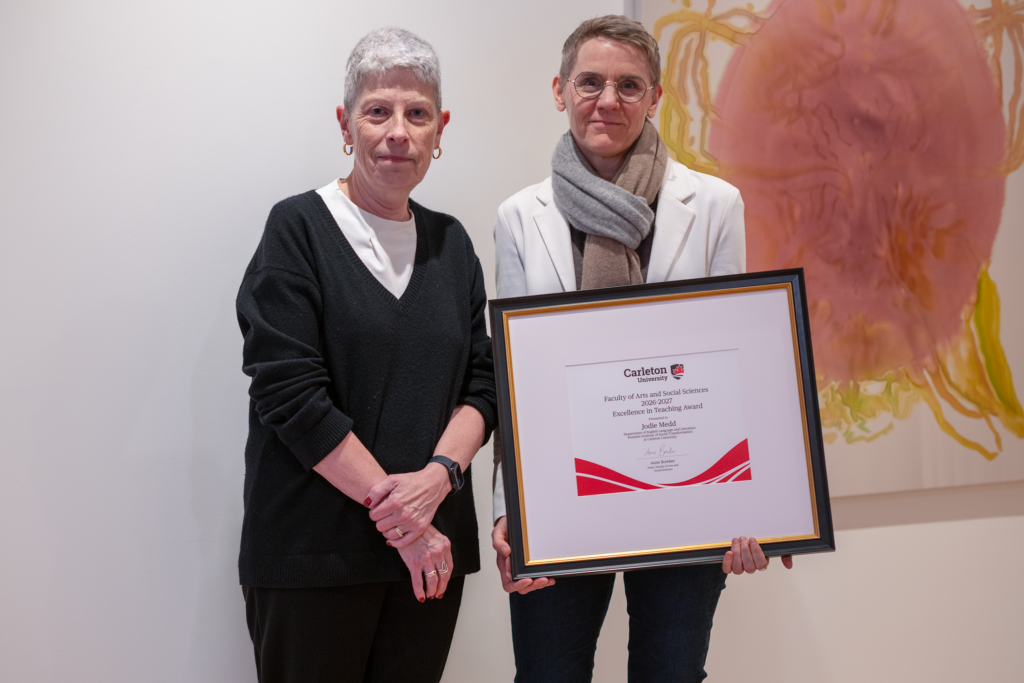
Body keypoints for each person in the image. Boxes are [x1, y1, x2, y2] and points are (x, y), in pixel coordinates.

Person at [490, 15, 792, 682]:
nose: (608, 100)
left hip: (689, 497)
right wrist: (510, 507)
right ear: (560, 90)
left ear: (656, 97)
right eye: (591, 81)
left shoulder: (714, 204)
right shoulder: (519, 216)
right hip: (561, 500)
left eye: (630, 85)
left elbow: (737, 359)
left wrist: (764, 503)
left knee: (671, 674)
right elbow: (516, 382)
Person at [236, 27, 496, 683]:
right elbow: (291, 397)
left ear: (441, 128)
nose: (398, 132)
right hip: (313, 555)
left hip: (432, 560)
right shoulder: (296, 230)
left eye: (417, 113)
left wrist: (439, 477)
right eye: (377, 111)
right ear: (345, 123)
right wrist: (409, 525)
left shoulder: (452, 245)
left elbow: (484, 383)